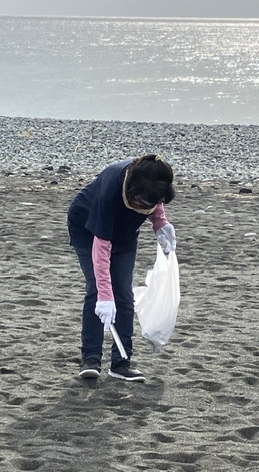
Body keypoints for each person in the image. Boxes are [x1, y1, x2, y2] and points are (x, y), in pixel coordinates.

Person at [68, 154, 177, 381]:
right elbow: (101, 249)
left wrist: (160, 222)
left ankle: (121, 363)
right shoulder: (110, 190)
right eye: (142, 203)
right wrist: (105, 297)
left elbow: (157, 197)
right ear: (132, 192)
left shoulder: (152, 175)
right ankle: (91, 358)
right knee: (97, 291)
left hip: (125, 232)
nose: (145, 208)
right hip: (87, 228)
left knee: (124, 294)